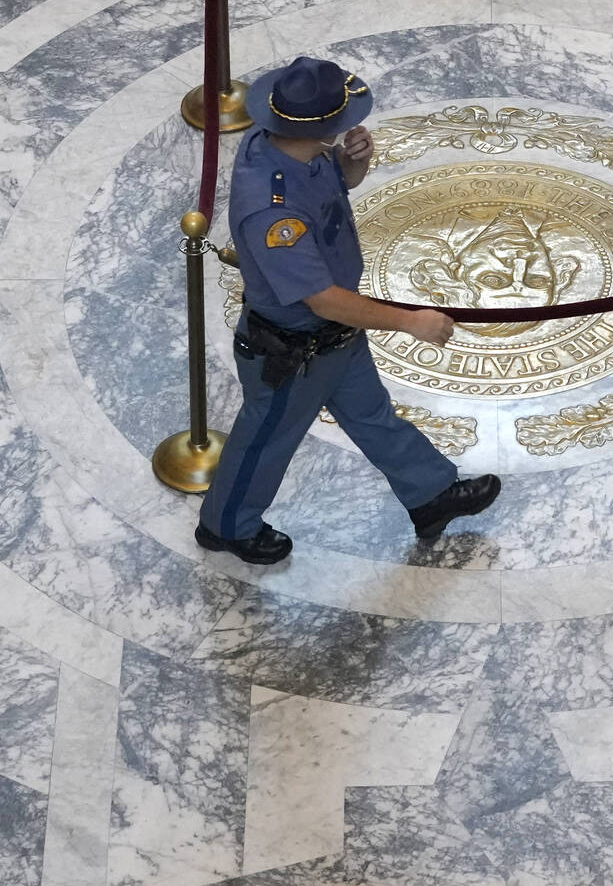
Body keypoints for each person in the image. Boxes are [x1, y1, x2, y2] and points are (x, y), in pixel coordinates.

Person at [196, 56, 503, 564]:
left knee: (372, 415)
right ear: (320, 127)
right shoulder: (272, 210)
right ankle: (225, 525)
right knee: (266, 440)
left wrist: (351, 165)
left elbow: (331, 189)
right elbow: (321, 297)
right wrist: (410, 322)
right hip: (293, 348)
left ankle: (430, 495)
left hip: (334, 337)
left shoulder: (293, 148)